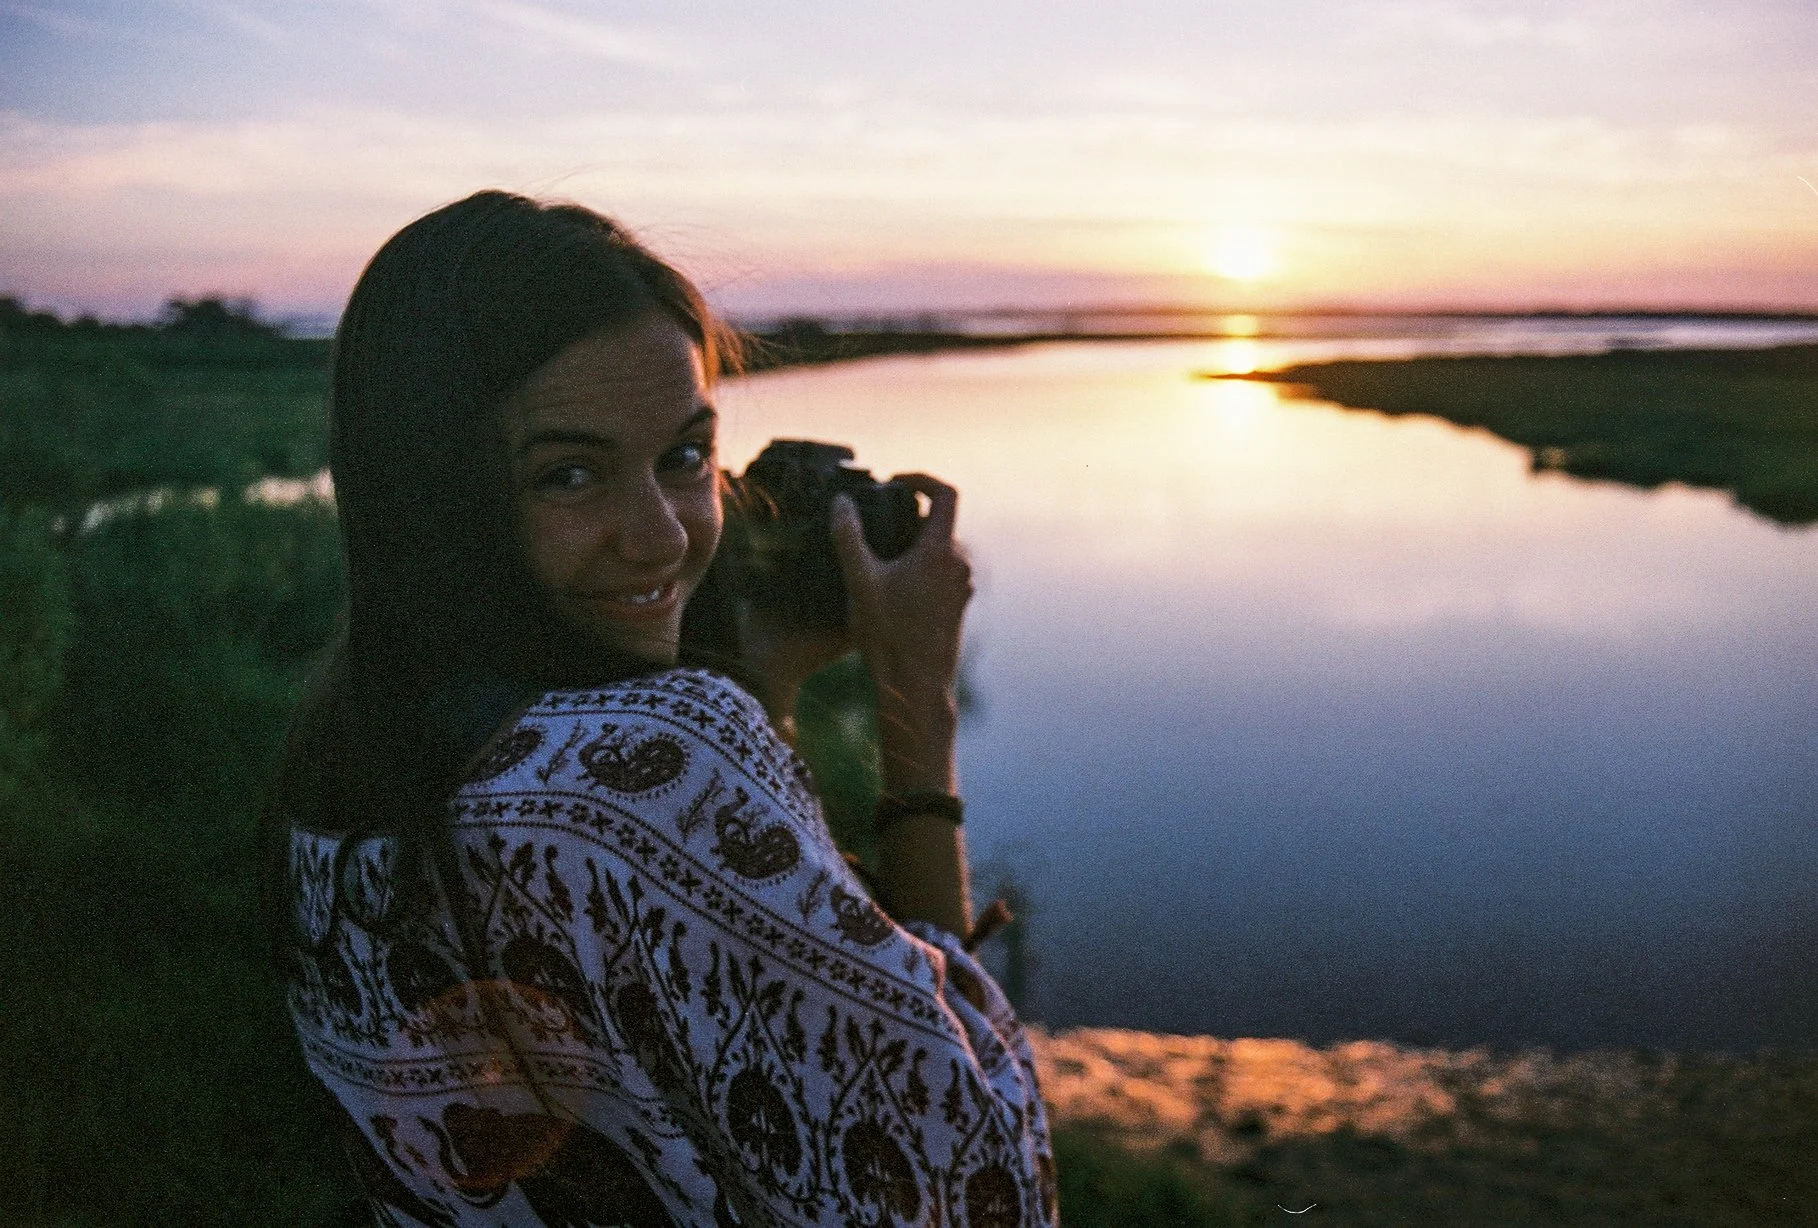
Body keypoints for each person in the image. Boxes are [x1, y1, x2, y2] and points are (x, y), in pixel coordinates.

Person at [262, 190, 1056, 1226]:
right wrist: (916, 706)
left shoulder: (334, 765)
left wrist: (757, 682)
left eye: (685, 456)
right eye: (572, 473)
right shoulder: (663, 757)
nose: (663, 538)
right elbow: (977, 1174)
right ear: (436, 493)